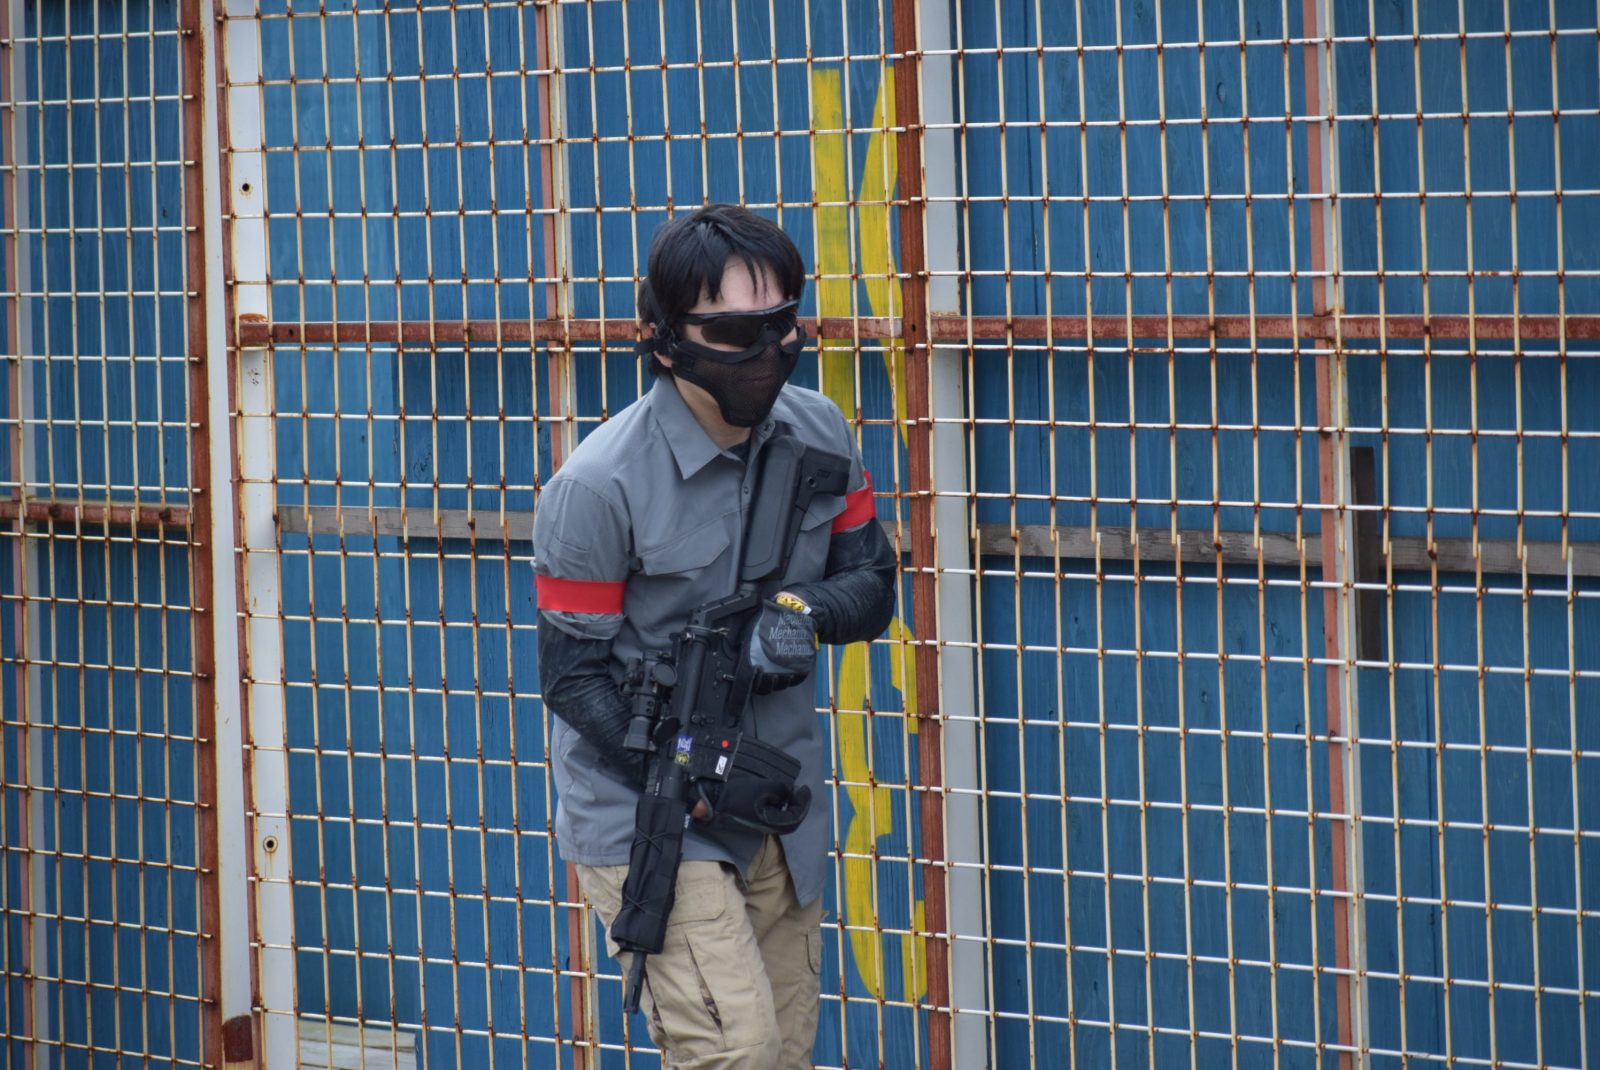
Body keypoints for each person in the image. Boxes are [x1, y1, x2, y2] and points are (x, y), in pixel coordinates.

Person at [532, 204, 898, 1069]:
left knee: (783, 1055)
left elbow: (873, 586)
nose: (767, 349)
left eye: (782, 324)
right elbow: (573, 679)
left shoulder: (821, 431)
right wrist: (686, 767)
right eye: (735, 332)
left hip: (777, 802)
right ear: (665, 341)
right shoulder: (595, 488)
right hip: (653, 815)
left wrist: (802, 613)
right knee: (739, 1055)